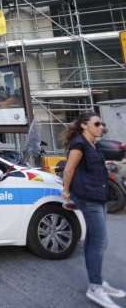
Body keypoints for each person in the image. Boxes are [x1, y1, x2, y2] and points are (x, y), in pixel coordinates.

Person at [61, 112, 125, 308]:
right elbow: (69, 169)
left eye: (102, 124)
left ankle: (97, 281)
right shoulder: (79, 144)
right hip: (88, 198)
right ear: (83, 126)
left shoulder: (93, 144)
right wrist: (65, 192)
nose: (101, 126)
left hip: (99, 195)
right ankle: (95, 287)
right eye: (96, 123)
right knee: (100, 241)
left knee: (92, 241)